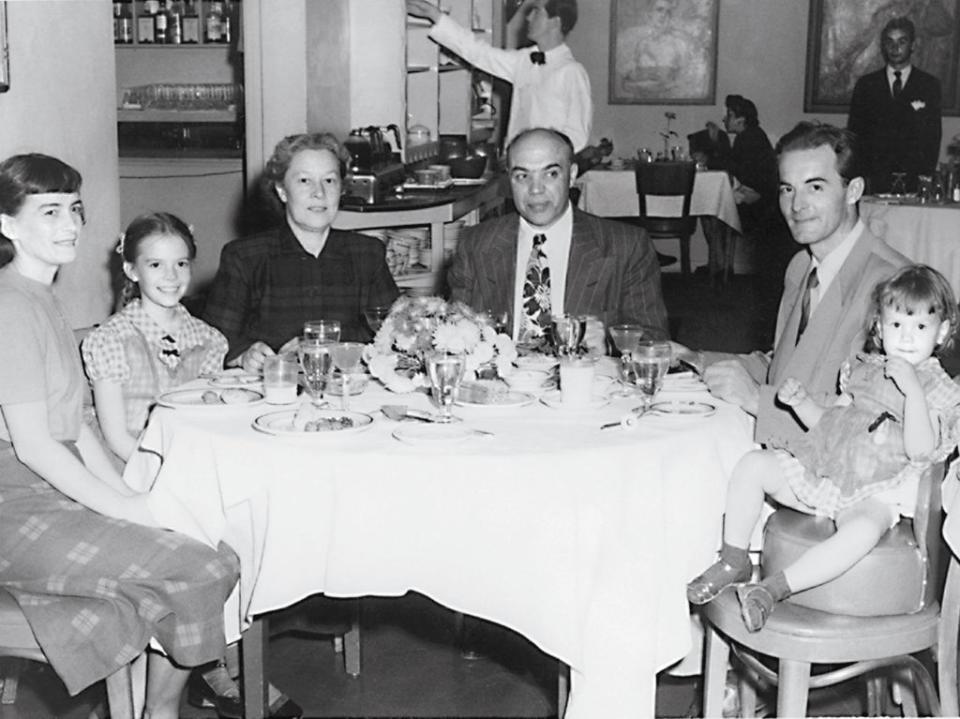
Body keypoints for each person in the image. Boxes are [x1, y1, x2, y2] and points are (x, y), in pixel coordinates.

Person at [0, 153, 239, 719]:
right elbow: (34, 445)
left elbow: (77, 426)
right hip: (13, 501)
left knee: (215, 547)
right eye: (50, 211)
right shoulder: (9, 307)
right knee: (207, 565)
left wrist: (133, 499)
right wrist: (124, 506)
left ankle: (152, 711)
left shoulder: (42, 298)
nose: (69, 225)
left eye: (75, 210)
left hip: (48, 490)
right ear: (6, 224)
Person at [80, 213, 300, 718]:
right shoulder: (111, 339)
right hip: (128, 475)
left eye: (181, 263)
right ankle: (171, 691)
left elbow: (211, 416)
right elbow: (115, 436)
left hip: (191, 473)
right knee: (195, 548)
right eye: (155, 263)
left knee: (250, 529)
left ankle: (210, 668)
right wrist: (172, 482)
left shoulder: (209, 339)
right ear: (131, 270)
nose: (171, 275)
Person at [687, 265, 960, 631]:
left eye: (920, 327)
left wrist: (912, 392)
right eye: (897, 325)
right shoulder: (864, 370)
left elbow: (921, 452)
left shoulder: (936, 387)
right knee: (754, 464)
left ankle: (772, 590)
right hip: (829, 471)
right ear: (879, 327)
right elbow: (832, 423)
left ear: (941, 332)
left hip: (879, 490)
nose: (907, 337)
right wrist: (801, 404)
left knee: (860, 533)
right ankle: (734, 557)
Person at [681, 121, 910, 449]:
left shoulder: (893, 285)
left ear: (854, 190)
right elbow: (785, 370)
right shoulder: (802, 266)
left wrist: (755, 402)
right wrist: (694, 359)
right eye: (787, 188)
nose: (796, 205)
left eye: (814, 187)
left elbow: (875, 435)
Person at [447, 127, 669, 350]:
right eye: (522, 176)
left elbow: (655, 341)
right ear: (509, 181)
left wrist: (609, 344)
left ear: (572, 175)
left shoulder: (625, 246)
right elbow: (455, 334)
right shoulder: (476, 244)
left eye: (550, 174)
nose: (535, 189)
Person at [203, 132, 399, 373]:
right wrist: (244, 354)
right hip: (275, 392)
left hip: (347, 390)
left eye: (329, 180)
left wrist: (334, 348)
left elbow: (394, 335)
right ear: (282, 191)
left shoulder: (367, 254)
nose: (319, 192)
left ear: (342, 189)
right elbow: (211, 341)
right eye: (304, 181)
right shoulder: (245, 258)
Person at [405, 0, 592, 153]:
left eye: (536, 11)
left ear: (555, 22)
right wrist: (435, 16)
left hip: (547, 173)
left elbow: (578, 136)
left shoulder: (572, 72)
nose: (528, 17)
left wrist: (544, 161)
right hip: (516, 170)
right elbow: (478, 52)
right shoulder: (523, 61)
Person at [847, 16, 942, 194]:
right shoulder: (866, 85)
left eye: (902, 41)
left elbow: (933, 137)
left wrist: (924, 179)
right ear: (883, 46)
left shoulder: (929, 85)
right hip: (873, 179)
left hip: (913, 181)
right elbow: (854, 135)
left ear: (913, 45)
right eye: (889, 41)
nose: (895, 47)